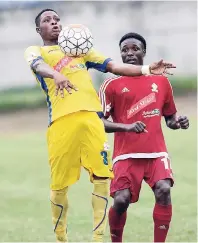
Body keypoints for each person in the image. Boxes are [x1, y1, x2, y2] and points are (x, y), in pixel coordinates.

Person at [24, 8, 176, 243]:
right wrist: (56, 75)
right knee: (60, 185)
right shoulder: (37, 51)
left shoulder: (81, 51)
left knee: (102, 179)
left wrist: (146, 70)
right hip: (62, 123)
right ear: (38, 29)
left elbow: (115, 67)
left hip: (92, 122)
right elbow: (37, 66)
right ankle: (61, 236)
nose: (54, 23)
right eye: (47, 20)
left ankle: (98, 238)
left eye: (57, 19)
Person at [99, 32, 189, 243]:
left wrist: (178, 122)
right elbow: (98, 122)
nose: (129, 53)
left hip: (156, 152)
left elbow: (169, 118)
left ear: (144, 52)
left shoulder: (161, 82)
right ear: (120, 54)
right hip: (125, 155)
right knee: (121, 200)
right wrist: (127, 127)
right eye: (125, 50)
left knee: (164, 190)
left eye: (135, 49)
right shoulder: (110, 85)